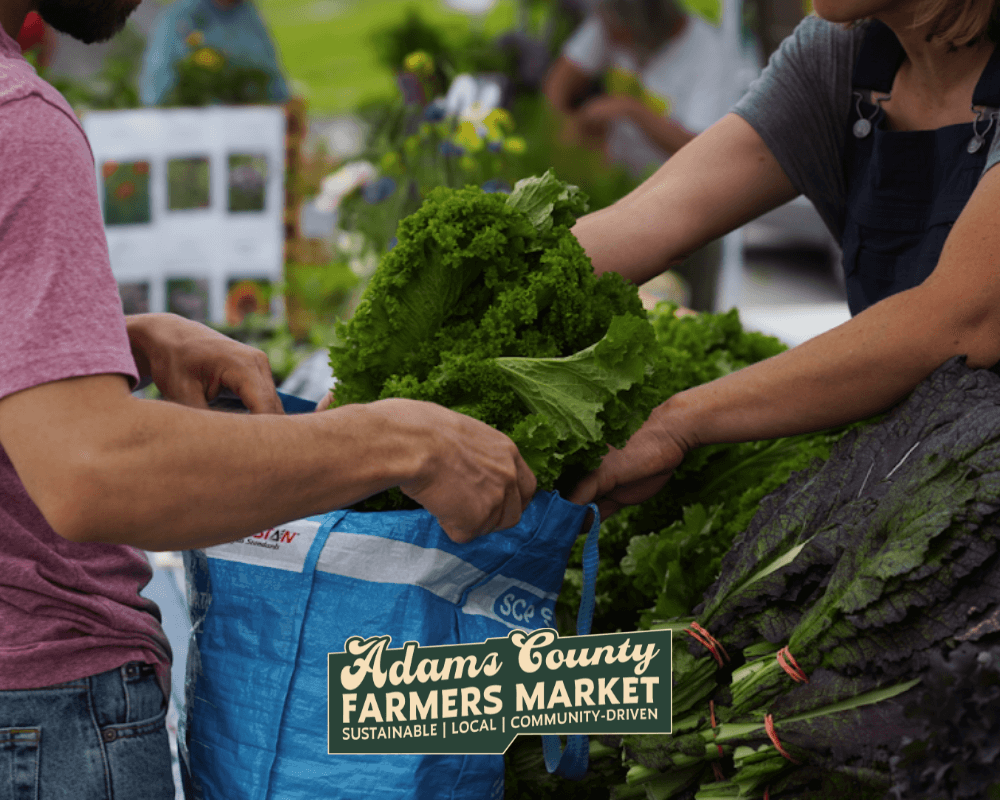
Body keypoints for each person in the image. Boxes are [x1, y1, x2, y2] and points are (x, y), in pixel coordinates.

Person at [0, 2, 535, 797]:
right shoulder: (21, 122)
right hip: (43, 720)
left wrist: (101, 341)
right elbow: (92, 473)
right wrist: (399, 442)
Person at [569, 0, 1000, 518]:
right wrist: (465, 285)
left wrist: (675, 421)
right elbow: (656, 215)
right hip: (929, 473)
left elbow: (961, 319)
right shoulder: (840, 56)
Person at [544, 0, 760, 312]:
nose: (611, 40)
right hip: (616, 195)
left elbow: (701, 147)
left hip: (685, 212)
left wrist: (631, 110)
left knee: (675, 315)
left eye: (620, 33)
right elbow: (558, 83)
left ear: (646, 24)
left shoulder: (710, 56)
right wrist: (570, 128)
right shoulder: (610, 24)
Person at [138, 0, 290, 105]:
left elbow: (275, 85)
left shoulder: (248, 15)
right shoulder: (180, 19)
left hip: (251, 132)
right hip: (192, 137)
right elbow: (156, 95)